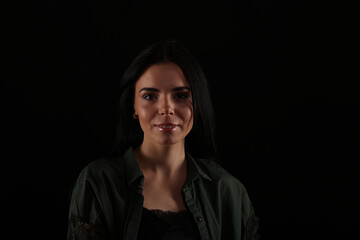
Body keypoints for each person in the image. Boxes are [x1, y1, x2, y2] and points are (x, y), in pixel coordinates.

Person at [67, 40, 260, 240]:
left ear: (198, 101)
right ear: (133, 106)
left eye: (181, 95)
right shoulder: (99, 183)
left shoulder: (227, 190)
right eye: (150, 96)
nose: (166, 109)